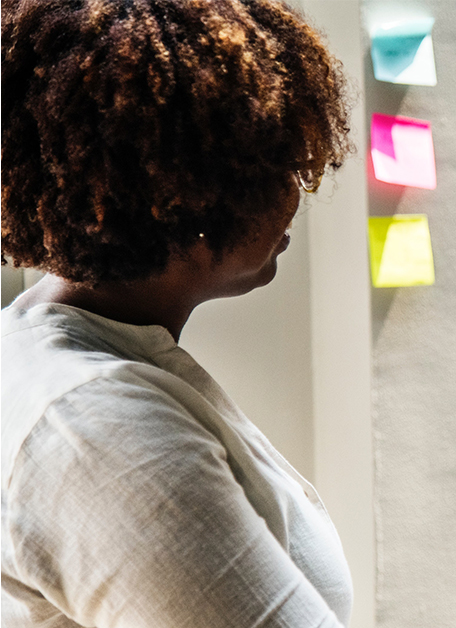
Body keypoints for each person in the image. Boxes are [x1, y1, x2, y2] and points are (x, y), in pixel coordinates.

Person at [1, 1, 354, 625]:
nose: (297, 192)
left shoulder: (52, 351)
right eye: (272, 168)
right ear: (188, 199)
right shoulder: (98, 429)